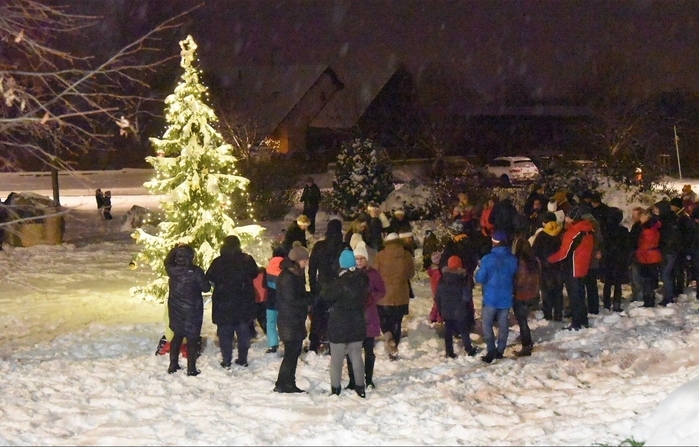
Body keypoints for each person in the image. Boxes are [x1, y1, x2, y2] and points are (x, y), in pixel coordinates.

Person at [206, 235, 259, 368]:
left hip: (223, 302)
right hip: (243, 301)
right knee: (243, 332)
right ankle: (242, 358)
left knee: (225, 332)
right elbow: (255, 273)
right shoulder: (247, 259)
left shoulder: (218, 261)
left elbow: (209, 276)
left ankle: (226, 359)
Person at [325, 249, 370, 398]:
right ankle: (360, 387)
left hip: (338, 325)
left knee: (336, 360)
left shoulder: (338, 283)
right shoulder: (363, 279)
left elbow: (326, 298)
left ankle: (335, 389)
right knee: (356, 357)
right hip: (357, 323)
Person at [164, 244, 210, 376]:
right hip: (192, 309)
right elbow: (206, 288)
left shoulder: (172, 270)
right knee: (192, 338)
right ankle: (191, 368)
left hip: (175, 308)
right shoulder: (196, 271)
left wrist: (175, 250)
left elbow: (167, 261)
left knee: (177, 335)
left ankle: (173, 364)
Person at [274, 242, 313, 393]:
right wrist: (309, 299)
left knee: (293, 353)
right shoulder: (288, 277)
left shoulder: (294, 274)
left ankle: (286, 382)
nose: (306, 263)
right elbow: (292, 299)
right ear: (297, 260)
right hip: (289, 320)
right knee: (291, 353)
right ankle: (285, 384)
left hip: (293, 319)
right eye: (304, 260)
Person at [548, 206, 595, 331]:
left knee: (574, 296)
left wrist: (550, 259)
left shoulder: (574, 231)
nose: (565, 219)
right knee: (581, 293)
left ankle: (576, 323)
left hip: (573, 266)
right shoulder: (588, 228)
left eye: (567, 216)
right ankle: (583, 319)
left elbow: (564, 253)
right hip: (583, 265)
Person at [346, 242, 385, 390]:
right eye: (356, 258)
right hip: (353, 317)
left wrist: (371, 297)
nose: (359, 261)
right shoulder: (350, 274)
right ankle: (353, 380)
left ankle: (368, 379)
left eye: (362, 258)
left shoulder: (373, 274)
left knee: (369, 351)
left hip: (369, 317)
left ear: (366, 259)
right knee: (352, 352)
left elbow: (382, 290)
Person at [475, 230, 518, 363]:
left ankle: (491, 350)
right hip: (505, 297)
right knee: (503, 324)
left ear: (493, 242)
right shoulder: (512, 259)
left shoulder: (487, 259)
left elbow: (480, 278)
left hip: (490, 297)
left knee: (487, 324)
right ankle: (500, 350)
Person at [374, 232, 415, 361]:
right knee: (397, 321)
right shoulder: (406, 255)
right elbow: (411, 273)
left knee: (384, 319)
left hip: (383, 295)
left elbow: (375, 273)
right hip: (401, 294)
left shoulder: (380, 255)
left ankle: (388, 336)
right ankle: (394, 350)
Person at [308, 218, 344, 354]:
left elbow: (312, 268)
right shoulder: (344, 247)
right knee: (337, 315)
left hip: (322, 286)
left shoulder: (319, 246)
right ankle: (334, 340)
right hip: (339, 286)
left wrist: (313, 285)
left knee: (318, 315)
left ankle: (314, 342)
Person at [435, 255, 478, 358]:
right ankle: (469, 349)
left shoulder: (442, 279)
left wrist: (440, 310)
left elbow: (437, 297)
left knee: (448, 332)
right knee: (463, 330)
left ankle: (449, 351)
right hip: (460, 311)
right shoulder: (463, 279)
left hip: (446, 311)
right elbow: (466, 297)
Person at [531, 212, 563, 321]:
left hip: (545, 268)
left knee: (546, 291)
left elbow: (534, 251)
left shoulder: (541, 235)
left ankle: (548, 313)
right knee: (558, 291)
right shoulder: (561, 233)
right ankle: (558, 313)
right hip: (559, 267)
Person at [512, 238, 541, 357]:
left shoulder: (521, 264)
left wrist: (512, 281)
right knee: (524, 319)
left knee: (522, 321)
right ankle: (525, 338)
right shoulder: (536, 261)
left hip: (522, 295)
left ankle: (526, 344)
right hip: (533, 293)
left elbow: (520, 281)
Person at [601, 208, 630, 312]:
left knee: (607, 283)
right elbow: (627, 247)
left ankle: (606, 304)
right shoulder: (623, 231)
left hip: (608, 258)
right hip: (619, 259)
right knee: (618, 283)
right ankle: (617, 303)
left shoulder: (604, 230)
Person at [653, 200, 680, 306]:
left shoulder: (668, 221)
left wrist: (663, 247)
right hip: (668, 250)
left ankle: (669, 297)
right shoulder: (667, 219)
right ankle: (669, 294)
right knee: (667, 274)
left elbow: (669, 237)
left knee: (665, 274)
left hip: (668, 251)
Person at [635, 209, 661, 307]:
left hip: (647, 257)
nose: (640, 218)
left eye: (642, 216)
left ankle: (648, 301)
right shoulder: (654, 227)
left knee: (647, 279)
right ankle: (649, 299)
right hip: (651, 256)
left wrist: (637, 253)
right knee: (649, 279)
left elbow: (644, 244)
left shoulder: (647, 230)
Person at [264, 245, 287, 354]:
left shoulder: (267, 268)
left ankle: (272, 345)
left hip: (271, 298)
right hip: (284, 299)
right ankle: (286, 342)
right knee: (284, 321)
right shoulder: (286, 268)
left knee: (270, 322)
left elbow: (264, 285)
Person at [670, 197, 695, 297]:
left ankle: (679, 287)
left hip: (681, 248)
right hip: (680, 247)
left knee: (678, 268)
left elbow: (687, 234)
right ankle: (678, 287)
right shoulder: (679, 216)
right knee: (677, 268)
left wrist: (682, 245)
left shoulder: (683, 218)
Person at [427, 251, 443, 324]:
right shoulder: (438, 272)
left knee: (436, 304)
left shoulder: (432, 270)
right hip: (438, 289)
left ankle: (433, 317)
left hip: (434, 290)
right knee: (439, 304)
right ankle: (438, 317)